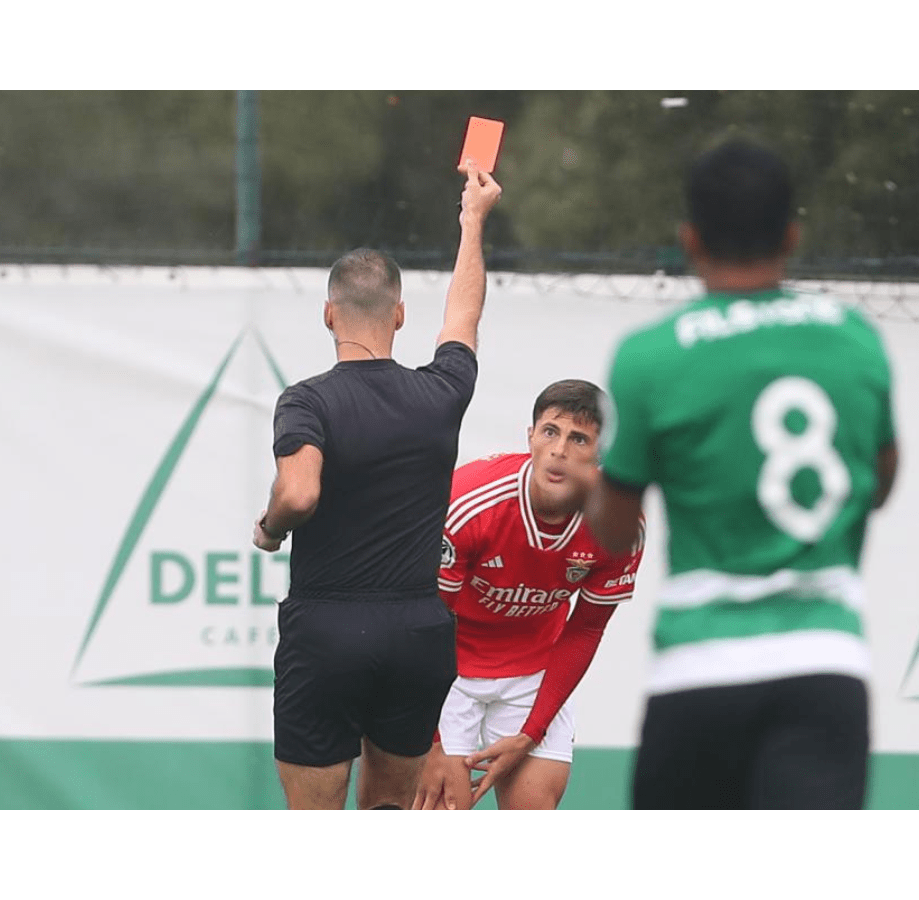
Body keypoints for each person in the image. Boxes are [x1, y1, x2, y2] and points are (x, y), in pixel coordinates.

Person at [584, 139, 899, 810]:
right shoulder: (854, 337)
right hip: (824, 665)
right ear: (792, 234)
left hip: (699, 671)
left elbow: (612, 533)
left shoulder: (650, 357)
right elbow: (883, 478)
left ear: (690, 239)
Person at [251, 159, 503, 810]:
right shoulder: (440, 391)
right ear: (397, 316)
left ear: (328, 315)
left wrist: (270, 527)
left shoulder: (306, 401)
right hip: (417, 632)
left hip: (327, 628)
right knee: (389, 809)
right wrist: (473, 221)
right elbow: (463, 317)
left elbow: (299, 492)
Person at [412, 379, 645, 811]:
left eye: (579, 439)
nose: (559, 451)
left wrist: (530, 732)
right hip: (447, 672)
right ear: (531, 437)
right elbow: (425, 623)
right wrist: (431, 740)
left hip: (534, 671)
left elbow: (586, 628)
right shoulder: (469, 502)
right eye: (550, 432)